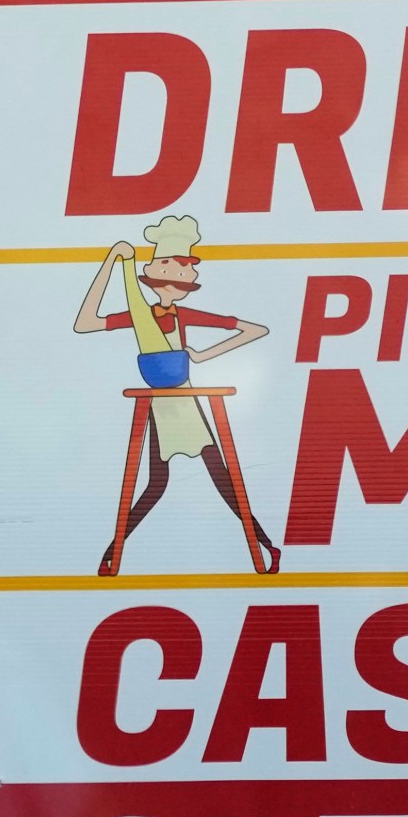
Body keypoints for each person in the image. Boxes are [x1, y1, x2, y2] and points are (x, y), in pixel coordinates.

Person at [72, 214, 281, 574]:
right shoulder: (139, 315)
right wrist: (110, 262)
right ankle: (110, 555)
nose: (183, 279)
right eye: (175, 271)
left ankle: (266, 547)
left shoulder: (184, 315)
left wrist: (201, 355)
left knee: (220, 480)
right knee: (158, 484)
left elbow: (255, 329)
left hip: (186, 403)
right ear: (154, 277)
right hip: (162, 406)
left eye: (185, 273)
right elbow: (85, 322)